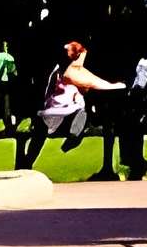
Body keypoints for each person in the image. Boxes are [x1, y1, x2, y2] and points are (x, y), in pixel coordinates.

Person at [19, 40, 118, 168]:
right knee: (40, 133)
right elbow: (48, 90)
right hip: (53, 111)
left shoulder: (76, 72)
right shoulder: (58, 71)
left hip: (70, 112)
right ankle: (27, 164)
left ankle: (73, 138)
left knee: (80, 115)